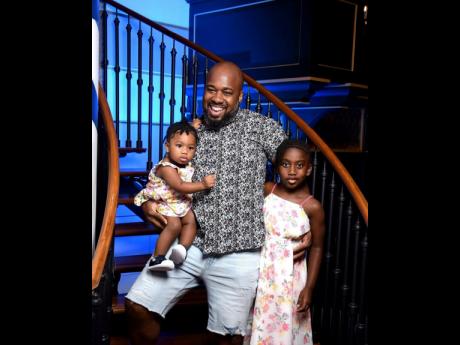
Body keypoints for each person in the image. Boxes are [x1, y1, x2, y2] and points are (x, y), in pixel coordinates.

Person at [125, 61, 311, 345]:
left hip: (240, 253)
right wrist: (148, 204)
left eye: (226, 92)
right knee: (137, 306)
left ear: (239, 95)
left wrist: (302, 219)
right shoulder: (189, 132)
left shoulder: (262, 127)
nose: (217, 98)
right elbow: (164, 175)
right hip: (189, 245)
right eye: (211, 89)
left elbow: (293, 170)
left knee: (224, 339)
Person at [244, 139, 325, 345]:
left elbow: (317, 247)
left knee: (285, 325)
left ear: (308, 169)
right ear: (278, 167)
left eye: (299, 165)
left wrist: (309, 288)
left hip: (291, 279)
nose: (291, 171)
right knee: (257, 323)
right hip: (260, 270)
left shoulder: (312, 207)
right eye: (285, 164)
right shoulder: (267, 190)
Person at [133, 121, 216, 271]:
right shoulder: (166, 168)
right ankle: (157, 258)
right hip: (163, 202)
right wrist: (203, 185)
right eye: (179, 146)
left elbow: (185, 138)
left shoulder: (184, 164)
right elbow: (180, 186)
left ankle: (182, 249)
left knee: (191, 221)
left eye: (190, 148)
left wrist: (192, 128)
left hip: (178, 202)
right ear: (167, 146)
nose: (185, 152)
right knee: (174, 225)